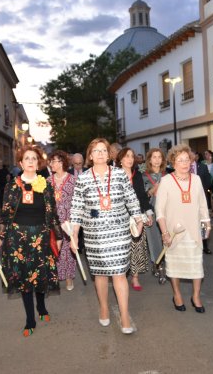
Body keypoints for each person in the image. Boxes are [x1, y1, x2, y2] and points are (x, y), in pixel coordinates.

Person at [69, 138, 143, 334]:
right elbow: (76, 209)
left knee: (119, 272)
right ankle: (103, 307)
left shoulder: (119, 175)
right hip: (94, 234)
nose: (100, 154)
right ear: (90, 156)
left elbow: (132, 199)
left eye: (104, 150)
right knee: (100, 274)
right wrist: (74, 234)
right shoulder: (83, 178)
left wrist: (139, 218)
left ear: (109, 154)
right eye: (96, 150)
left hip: (119, 232)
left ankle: (125, 315)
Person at [0, 145, 61, 337]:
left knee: (39, 275)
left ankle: (42, 306)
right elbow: (4, 214)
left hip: (41, 236)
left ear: (38, 163)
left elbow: (53, 213)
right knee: (24, 279)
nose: (31, 161)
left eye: (34, 158)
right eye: (27, 158)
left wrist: (59, 236)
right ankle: (30, 319)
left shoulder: (46, 184)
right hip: (17, 238)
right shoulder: (12, 185)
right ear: (21, 163)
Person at [155, 144, 211, 313]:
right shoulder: (165, 181)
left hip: (193, 231)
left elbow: (202, 204)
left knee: (196, 267)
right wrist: (165, 232)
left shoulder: (197, 180)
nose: (185, 163)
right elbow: (160, 211)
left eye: (187, 159)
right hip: (174, 233)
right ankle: (177, 294)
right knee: (175, 267)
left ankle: (196, 296)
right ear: (173, 162)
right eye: (180, 160)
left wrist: (207, 223)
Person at [116, 147, 153, 291]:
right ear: (120, 159)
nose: (130, 159)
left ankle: (135, 277)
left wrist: (148, 213)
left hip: (137, 216)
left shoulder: (137, 175)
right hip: (120, 218)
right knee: (123, 248)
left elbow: (142, 196)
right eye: (127, 156)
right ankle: (121, 274)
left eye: (132, 156)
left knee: (137, 246)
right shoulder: (115, 175)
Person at [48, 150, 77, 291]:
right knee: (55, 248)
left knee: (68, 249)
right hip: (53, 220)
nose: (51, 164)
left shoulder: (72, 179)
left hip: (68, 219)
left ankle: (69, 277)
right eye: (51, 161)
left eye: (54, 161)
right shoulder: (48, 181)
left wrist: (73, 220)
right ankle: (56, 276)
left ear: (61, 163)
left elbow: (76, 201)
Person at [142, 148, 169, 284]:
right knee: (154, 241)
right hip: (151, 212)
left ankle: (165, 265)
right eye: (154, 157)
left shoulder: (168, 175)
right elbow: (142, 197)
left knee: (166, 238)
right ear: (149, 159)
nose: (157, 160)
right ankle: (157, 264)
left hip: (166, 212)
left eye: (159, 157)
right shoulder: (144, 176)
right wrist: (154, 189)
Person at [196, 156, 213, 254]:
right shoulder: (184, 167)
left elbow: (207, 181)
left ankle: (205, 245)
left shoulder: (202, 167)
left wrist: (203, 191)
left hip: (201, 198)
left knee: (203, 222)